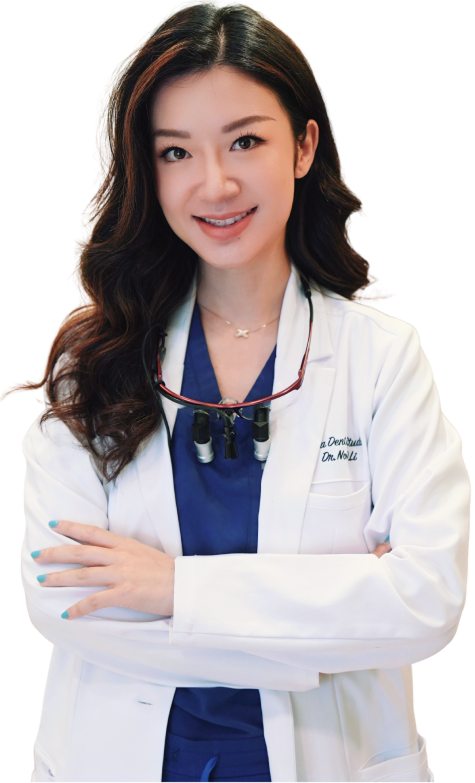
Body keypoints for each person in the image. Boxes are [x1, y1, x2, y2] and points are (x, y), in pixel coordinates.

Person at [5, 2, 470, 782]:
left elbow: (424, 602)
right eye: (175, 151)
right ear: (148, 170)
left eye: (245, 141)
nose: (213, 183)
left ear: (303, 146)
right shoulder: (92, 361)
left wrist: (171, 588)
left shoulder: (380, 358)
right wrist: (333, 617)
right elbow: (64, 602)